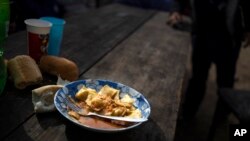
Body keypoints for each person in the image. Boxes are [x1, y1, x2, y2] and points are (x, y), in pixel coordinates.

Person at [167, 0, 250, 121]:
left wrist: (248, 28)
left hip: (228, 39)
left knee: (225, 81)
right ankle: (188, 114)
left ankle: (222, 115)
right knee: (198, 78)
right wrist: (175, 11)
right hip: (203, 34)